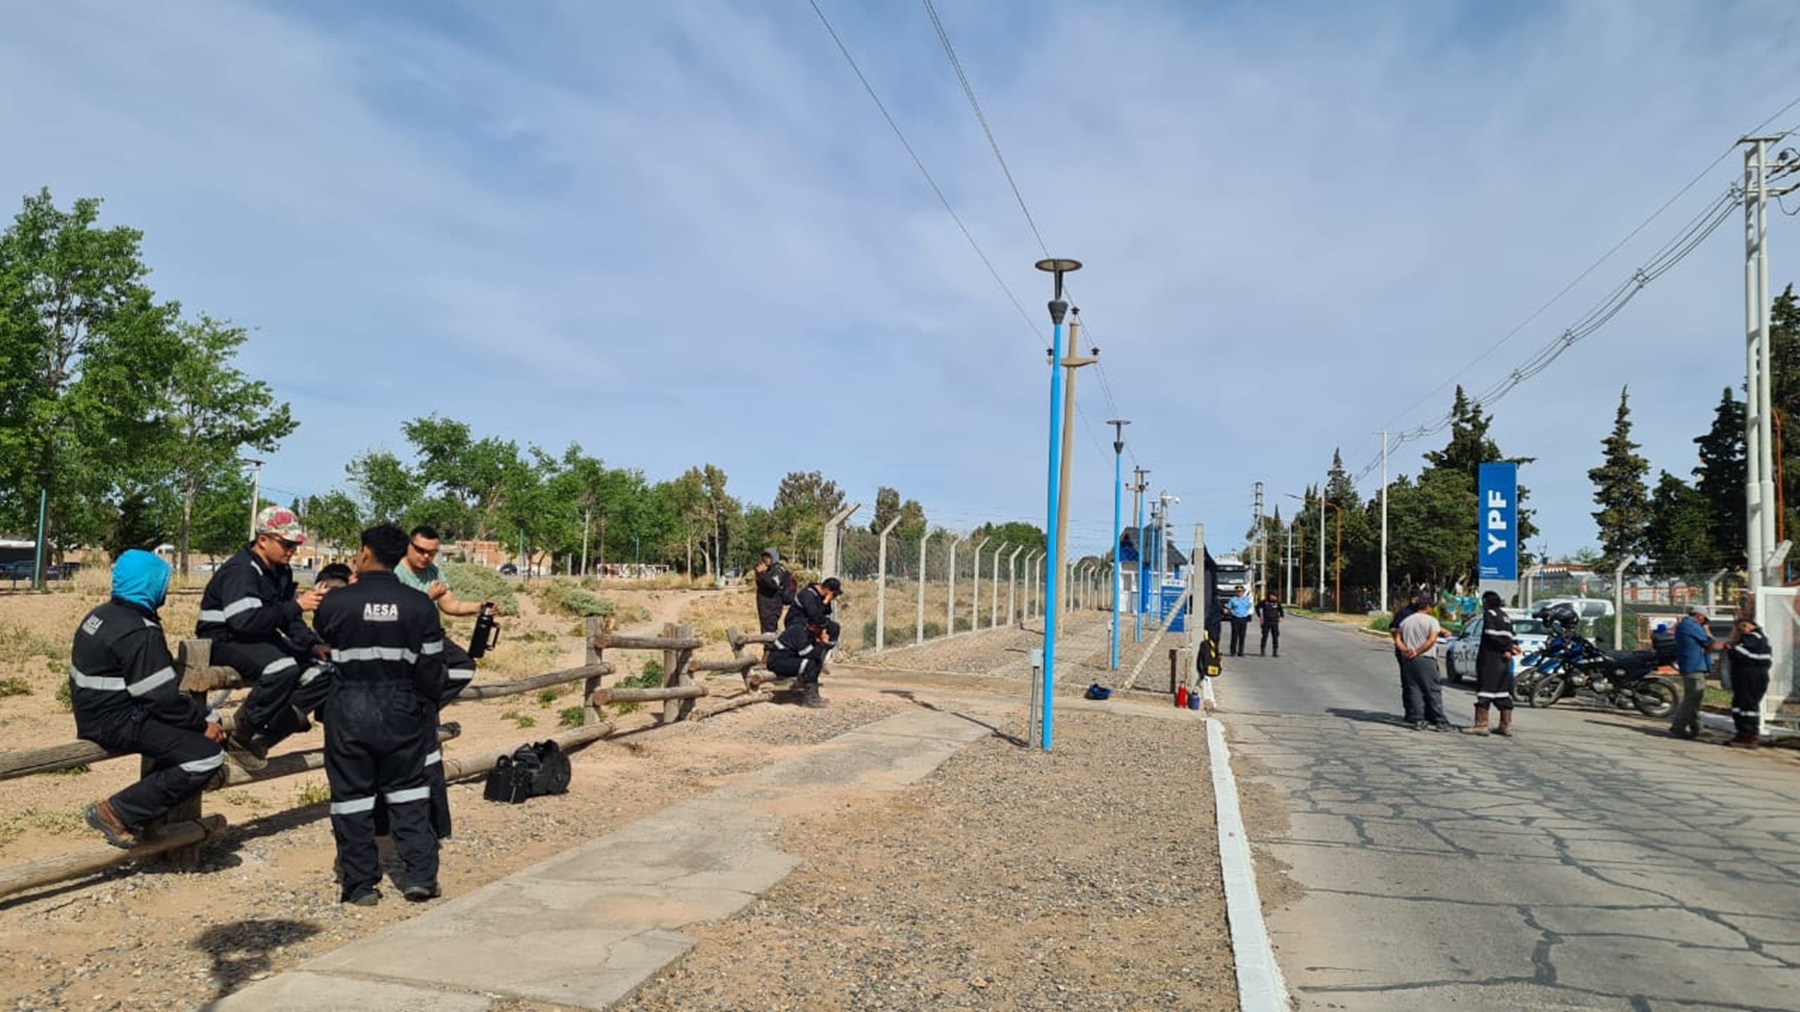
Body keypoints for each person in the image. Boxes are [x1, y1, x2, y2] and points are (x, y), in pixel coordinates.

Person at [312, 524, 447, 906]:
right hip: (402, 706)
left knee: (351, 798)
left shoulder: (337, 603)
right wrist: (421, 706)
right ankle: (420, 876)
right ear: (400, 555)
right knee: (409, 792)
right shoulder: (420, 604)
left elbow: (323, 640)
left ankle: (360, 885)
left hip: (349, 707)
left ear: (366, 552)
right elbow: (433, 668)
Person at [74, 550, 228, 848]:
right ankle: (117, 811)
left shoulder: (100, 614)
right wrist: (202, 722)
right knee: (206, 755)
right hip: (116, 721)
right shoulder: (138, 631)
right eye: (163, 582)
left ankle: (149, 818)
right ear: (152, 584)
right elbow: (160, 698)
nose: (165, 589)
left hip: (96, 712)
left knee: (182, 745)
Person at [197, 506, 333, 772]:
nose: (292, 549)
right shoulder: (241, 571)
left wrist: (311, 643)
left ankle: (265, 737)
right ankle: (242, 735)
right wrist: (296, 606)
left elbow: (287, 619)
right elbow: (244, 621)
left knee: (323, 671)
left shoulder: (281, 571)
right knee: (281, 668)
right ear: (263, 540)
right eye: (286, 543)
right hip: (224, 639)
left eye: (295, 543)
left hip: (258, 635)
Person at [393, 525, 486, 840]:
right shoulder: (396, 572)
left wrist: (478, 607)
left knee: (462, 667)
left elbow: (450, 605)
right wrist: (425, 597)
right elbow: (397, 610)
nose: (424, 556)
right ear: (409, 546)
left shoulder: (433, 570)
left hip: (433, 637)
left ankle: (425, 704)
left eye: (430, 551)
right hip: (406, 640)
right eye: (420, 549)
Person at [1465, 590, 1521, 736]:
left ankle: (1481, 725)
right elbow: (1512, 636)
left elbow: (1490, 635)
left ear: (1485, 602)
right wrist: (1511, 647)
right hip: (1505, 661)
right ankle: (1505, 725)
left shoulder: (1489, 614)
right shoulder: (1506, 616)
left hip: (1491, 659)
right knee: (1502, 692)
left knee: (1485, 691)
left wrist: (1506, 648)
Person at [1394, 596, 1452, 731]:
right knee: (1433, 689)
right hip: (1426, 658)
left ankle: (1418, 719)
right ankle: (1440, 721)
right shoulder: (1432, 621)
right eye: (1432, 607)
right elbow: (1431, 640)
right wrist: (1418, 651)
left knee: (1414, 689)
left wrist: (1406, 650)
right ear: (1427, 607)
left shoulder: (1406, 621)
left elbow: (1397, 639)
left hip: (1408, 659)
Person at [1669, 604, 1724, 740]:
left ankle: (1696, 728)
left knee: (1693, 699)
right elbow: (1709, 643)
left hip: (1691, 665)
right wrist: (1706, 629)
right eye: (1704, 619)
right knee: (1692, 699)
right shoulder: (1692, 626)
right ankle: (1678, 727)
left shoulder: (1686, 625)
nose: (1704, 621)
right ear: (1699, 616)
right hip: (1694, 666)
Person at [1725, 613, 1772, 749]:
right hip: (1746, 676)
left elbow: (1741, 654)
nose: (1739, 633)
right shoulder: (1754, 638)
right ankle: (1742, 733)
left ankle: (1750, 736)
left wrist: (1731, 648)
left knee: (1748, 705)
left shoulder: (1753, 637)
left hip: (1752, 676)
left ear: (1746, 626)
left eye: (1739, 630)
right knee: (1739, 705)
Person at [766, 621, 831, 709]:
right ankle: (809, 699)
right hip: (777, 663)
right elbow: (810, 654)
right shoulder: (800, 633)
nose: (823, 631)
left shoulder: (807, 632)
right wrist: (822, 643)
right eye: (820, 629)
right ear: (812, 627)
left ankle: (813, 695)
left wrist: (820, 643)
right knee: (809, 664)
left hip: (788, 659)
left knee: (817, 662)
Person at [1389, 591, 1428, 726]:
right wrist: (1403, 647)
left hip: (1422, 653)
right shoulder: (1405, 614)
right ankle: (1411, 712)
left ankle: (1423, 712)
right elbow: (1394, 630)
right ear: (1414, 600)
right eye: (1422, 600)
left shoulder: (1422, 614)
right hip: (1406, 653)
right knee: (1409, 683)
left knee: (1423, 683)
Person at [784, 576, 842, 644]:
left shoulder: (821, 596)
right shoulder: (808, 595)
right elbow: (815, 616)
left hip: (809, 621)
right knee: (816, 628)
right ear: (827, 589)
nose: (834, 597)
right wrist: (825, 602)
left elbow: (826, 612)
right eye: (834, 594)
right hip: (796, 621)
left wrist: (827, 601)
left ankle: (823, 650)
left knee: (833, 627)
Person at [753, 548, 793, 636]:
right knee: (766, 633)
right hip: (766, 608)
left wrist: (763, 574)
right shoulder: (769, 570)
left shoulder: (777, 570)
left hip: (772, 608)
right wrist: (759, 574)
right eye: (764, 557)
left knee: (769, 635)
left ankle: (770, 649)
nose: (765, 559)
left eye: (768, 557)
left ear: (774, 557)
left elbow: (773, 585)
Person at [1226, 586, 1253, 657]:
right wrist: (1230, 611)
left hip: (1243, 618)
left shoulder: (1246, 599)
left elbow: (1248, 607)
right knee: (1234, 635)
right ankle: (1233, 651)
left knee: (1242, 636)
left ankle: (1241, 652)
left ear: (1243, 592)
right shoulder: (1233, 599)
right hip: (1235, 618)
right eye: (1238, 591)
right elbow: (1228, 608)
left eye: (1241, 591)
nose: (1239, 593)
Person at [1256, 593, 1284, 657]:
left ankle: (1275, 651)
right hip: (1266, 621)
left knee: (1275, 636)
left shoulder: (1277, 602)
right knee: (1265, 636)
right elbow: (1257, 607)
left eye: (1274, 596)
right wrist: (1260, 616)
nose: (1273, 597)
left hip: (1275, 621)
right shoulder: (1265, 602)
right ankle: (1262, 650)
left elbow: (1281, 610)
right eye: (1272, 596)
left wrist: (1281, 617)